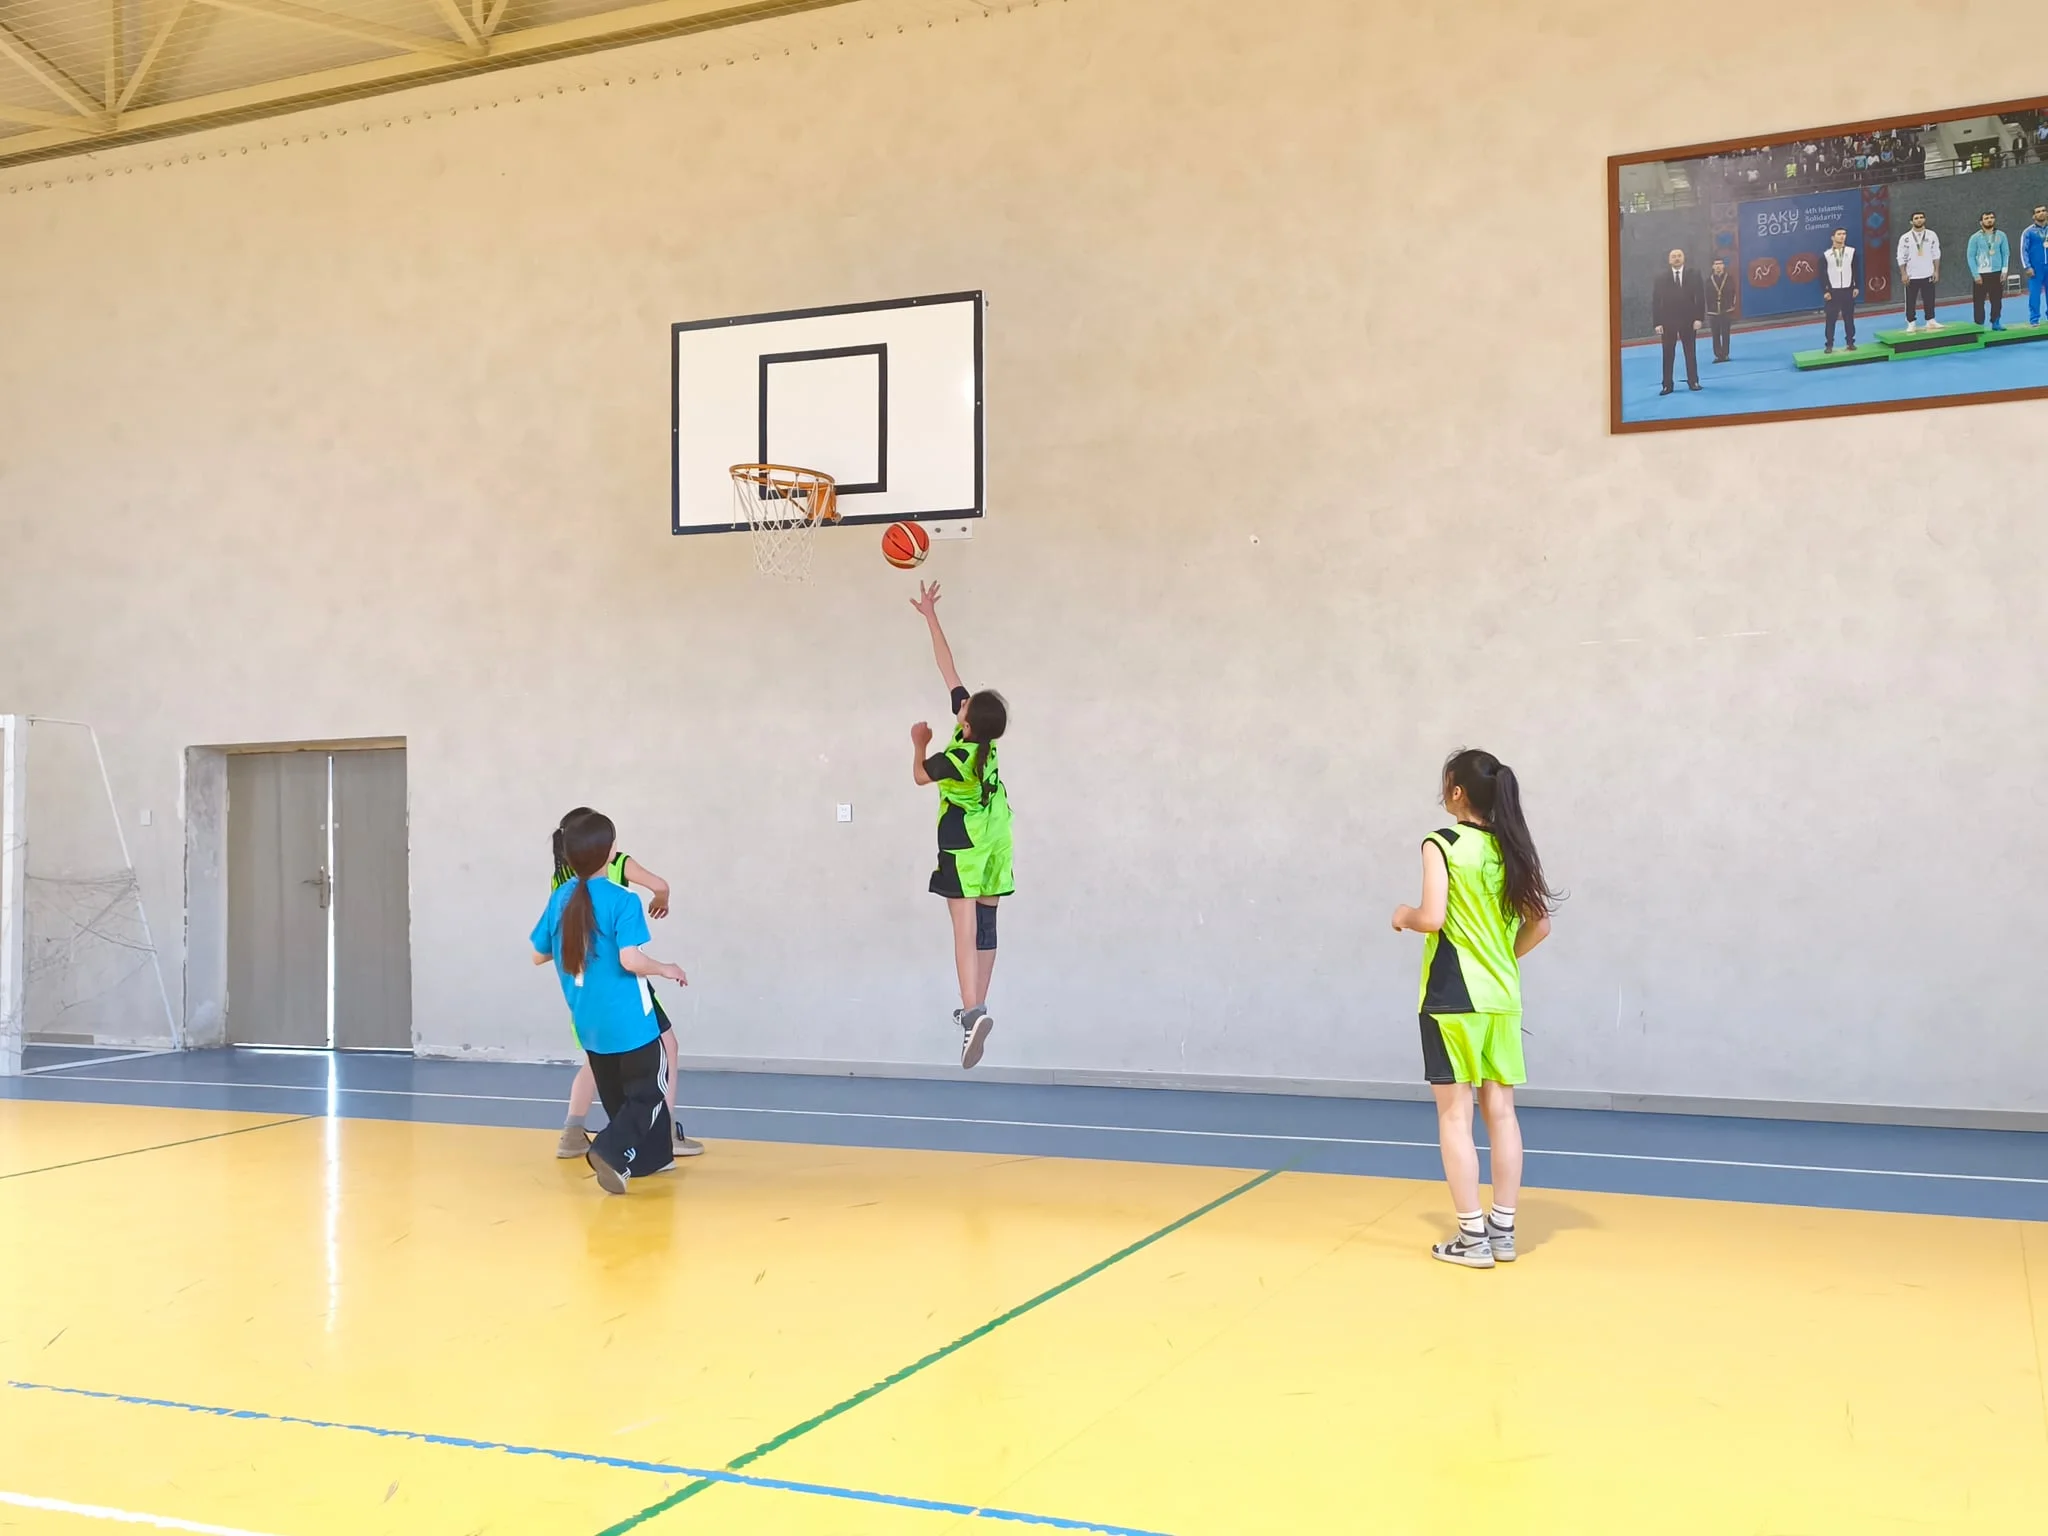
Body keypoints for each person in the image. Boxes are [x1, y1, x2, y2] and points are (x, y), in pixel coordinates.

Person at [1391, 750, 1558, 1270]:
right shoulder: (1511, 848)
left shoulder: (1441, 843)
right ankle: (1502, 1231)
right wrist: (1500, 960)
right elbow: (1540, 925)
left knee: (1455, 1115)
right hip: (1502, 999)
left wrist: (1404, 915)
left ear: (1457, 791)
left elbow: (1433, 917)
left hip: (1453, 998)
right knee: (1502, 1113)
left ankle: (1471, 1238)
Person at [530, 808, 688, 1195]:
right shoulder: (622, 900)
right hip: (630, 1022)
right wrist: (665, 968)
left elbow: (538, 954)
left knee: (619, 1100)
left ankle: (650, 1160)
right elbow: (630, 960)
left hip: (588, 1022)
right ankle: (609, 1150)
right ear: (611, 851)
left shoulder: (560, 897)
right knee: (648, 1094)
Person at [908, 580, 1012, 1070]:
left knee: (963, 929)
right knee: (987, 923)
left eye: (966, 705)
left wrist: (918, 742)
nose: (962, 700)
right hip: (997, 837)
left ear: (967, 722)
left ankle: (972, 1014)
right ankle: (980, 1006)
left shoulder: (956, 756)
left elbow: (918, 776)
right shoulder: (985, 743)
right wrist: (931, 615)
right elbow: (948, 668)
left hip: (965, 844)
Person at [1652, 248, 1705, 394]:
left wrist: (1699, 318)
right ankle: (1667, 385)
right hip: (1667, 321)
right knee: (1668, 353)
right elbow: (1656, 301)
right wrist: (1657, 322)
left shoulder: (1694, 275)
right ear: (1669, 260)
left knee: (1690, 352)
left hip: (1689, 320)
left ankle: (1693, 381)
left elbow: (1700, 297)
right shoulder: (1661, 277)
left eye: (1679, 256)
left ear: (1683, 258)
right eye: (1674, 256)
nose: (1676, 258)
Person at [1895, 212, 1942, 331]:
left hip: (1928, 272)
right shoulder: (1905, 238)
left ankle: (1930, 320)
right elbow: (1901, 256)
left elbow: (1936, 253)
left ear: (1924, 219)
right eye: (1916, 218)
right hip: (1912, 275)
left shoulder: (1932, 235)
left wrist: (1936, 271)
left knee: (1929, 298)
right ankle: (1911, 322)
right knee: (1910, 300)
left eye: (1921, 217)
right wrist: (1903, 274)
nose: (1919, 220)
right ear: (1911, 221)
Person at [1819, 227, 1862, 354]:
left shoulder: (1851, 252)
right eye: (1839, 234)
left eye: (1844, 234)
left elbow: (1856, 270)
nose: (1842, 236)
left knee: (1849, 318)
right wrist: (1825, 291)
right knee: (1830, 319)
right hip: (1833, 291)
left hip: (1848, 289)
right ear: (1833, 237)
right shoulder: (1826, 255)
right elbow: (1822, 275)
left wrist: (1856, 286)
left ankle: (1850, 342)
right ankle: (1829, 344)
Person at [1967, 210, 2010, 331]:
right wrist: (1975, 274)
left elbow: (2005, 253)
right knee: (1979, 301)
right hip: (1981, 274)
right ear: (1981, 222)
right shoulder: (1975, 238)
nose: (1989, 220)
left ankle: (1996, 322)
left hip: (1996, 273)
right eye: (1986, 218)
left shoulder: (2001, 235)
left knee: (1996, 300)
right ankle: (1979, 324)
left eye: (1991, 217)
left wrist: (2004, 271)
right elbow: (1970, 256)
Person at [2021, 205, 2048, 328]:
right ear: (2034, 216)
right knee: (2035, 295)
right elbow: (2023, 250)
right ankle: (2034, 319)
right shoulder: (2028, 232)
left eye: (2043, 211)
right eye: (2038, 211)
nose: (2041, 213)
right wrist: (2027, 266)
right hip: (2035, 269)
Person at [1705, 257, 1737, 362]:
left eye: (1720, 264)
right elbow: (1707, 294)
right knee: (1715, 334)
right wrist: (1710, 307)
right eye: (1716, 264)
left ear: (1723, 266)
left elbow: (1732, 292)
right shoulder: (1709, 280)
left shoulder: (1729, 278)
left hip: (1726, 309)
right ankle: (1718, 355)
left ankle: (1725, 354)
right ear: (1713, 267)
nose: (1718, 266)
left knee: (1725, 333)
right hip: (1713, 311)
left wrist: (1731, 305)